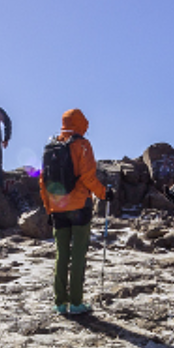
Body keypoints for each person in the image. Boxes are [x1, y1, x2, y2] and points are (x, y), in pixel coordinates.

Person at [40, 109, 108, 316]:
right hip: (79, 207)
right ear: (80, 123)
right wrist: (105, 194)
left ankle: (60, 302)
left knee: (61, 255)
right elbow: (88, 178)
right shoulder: (82, 146)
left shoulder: (52, 147)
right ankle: (76, 302)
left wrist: (48, 208)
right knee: (78, 255)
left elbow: (42, 181)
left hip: (57, 209)